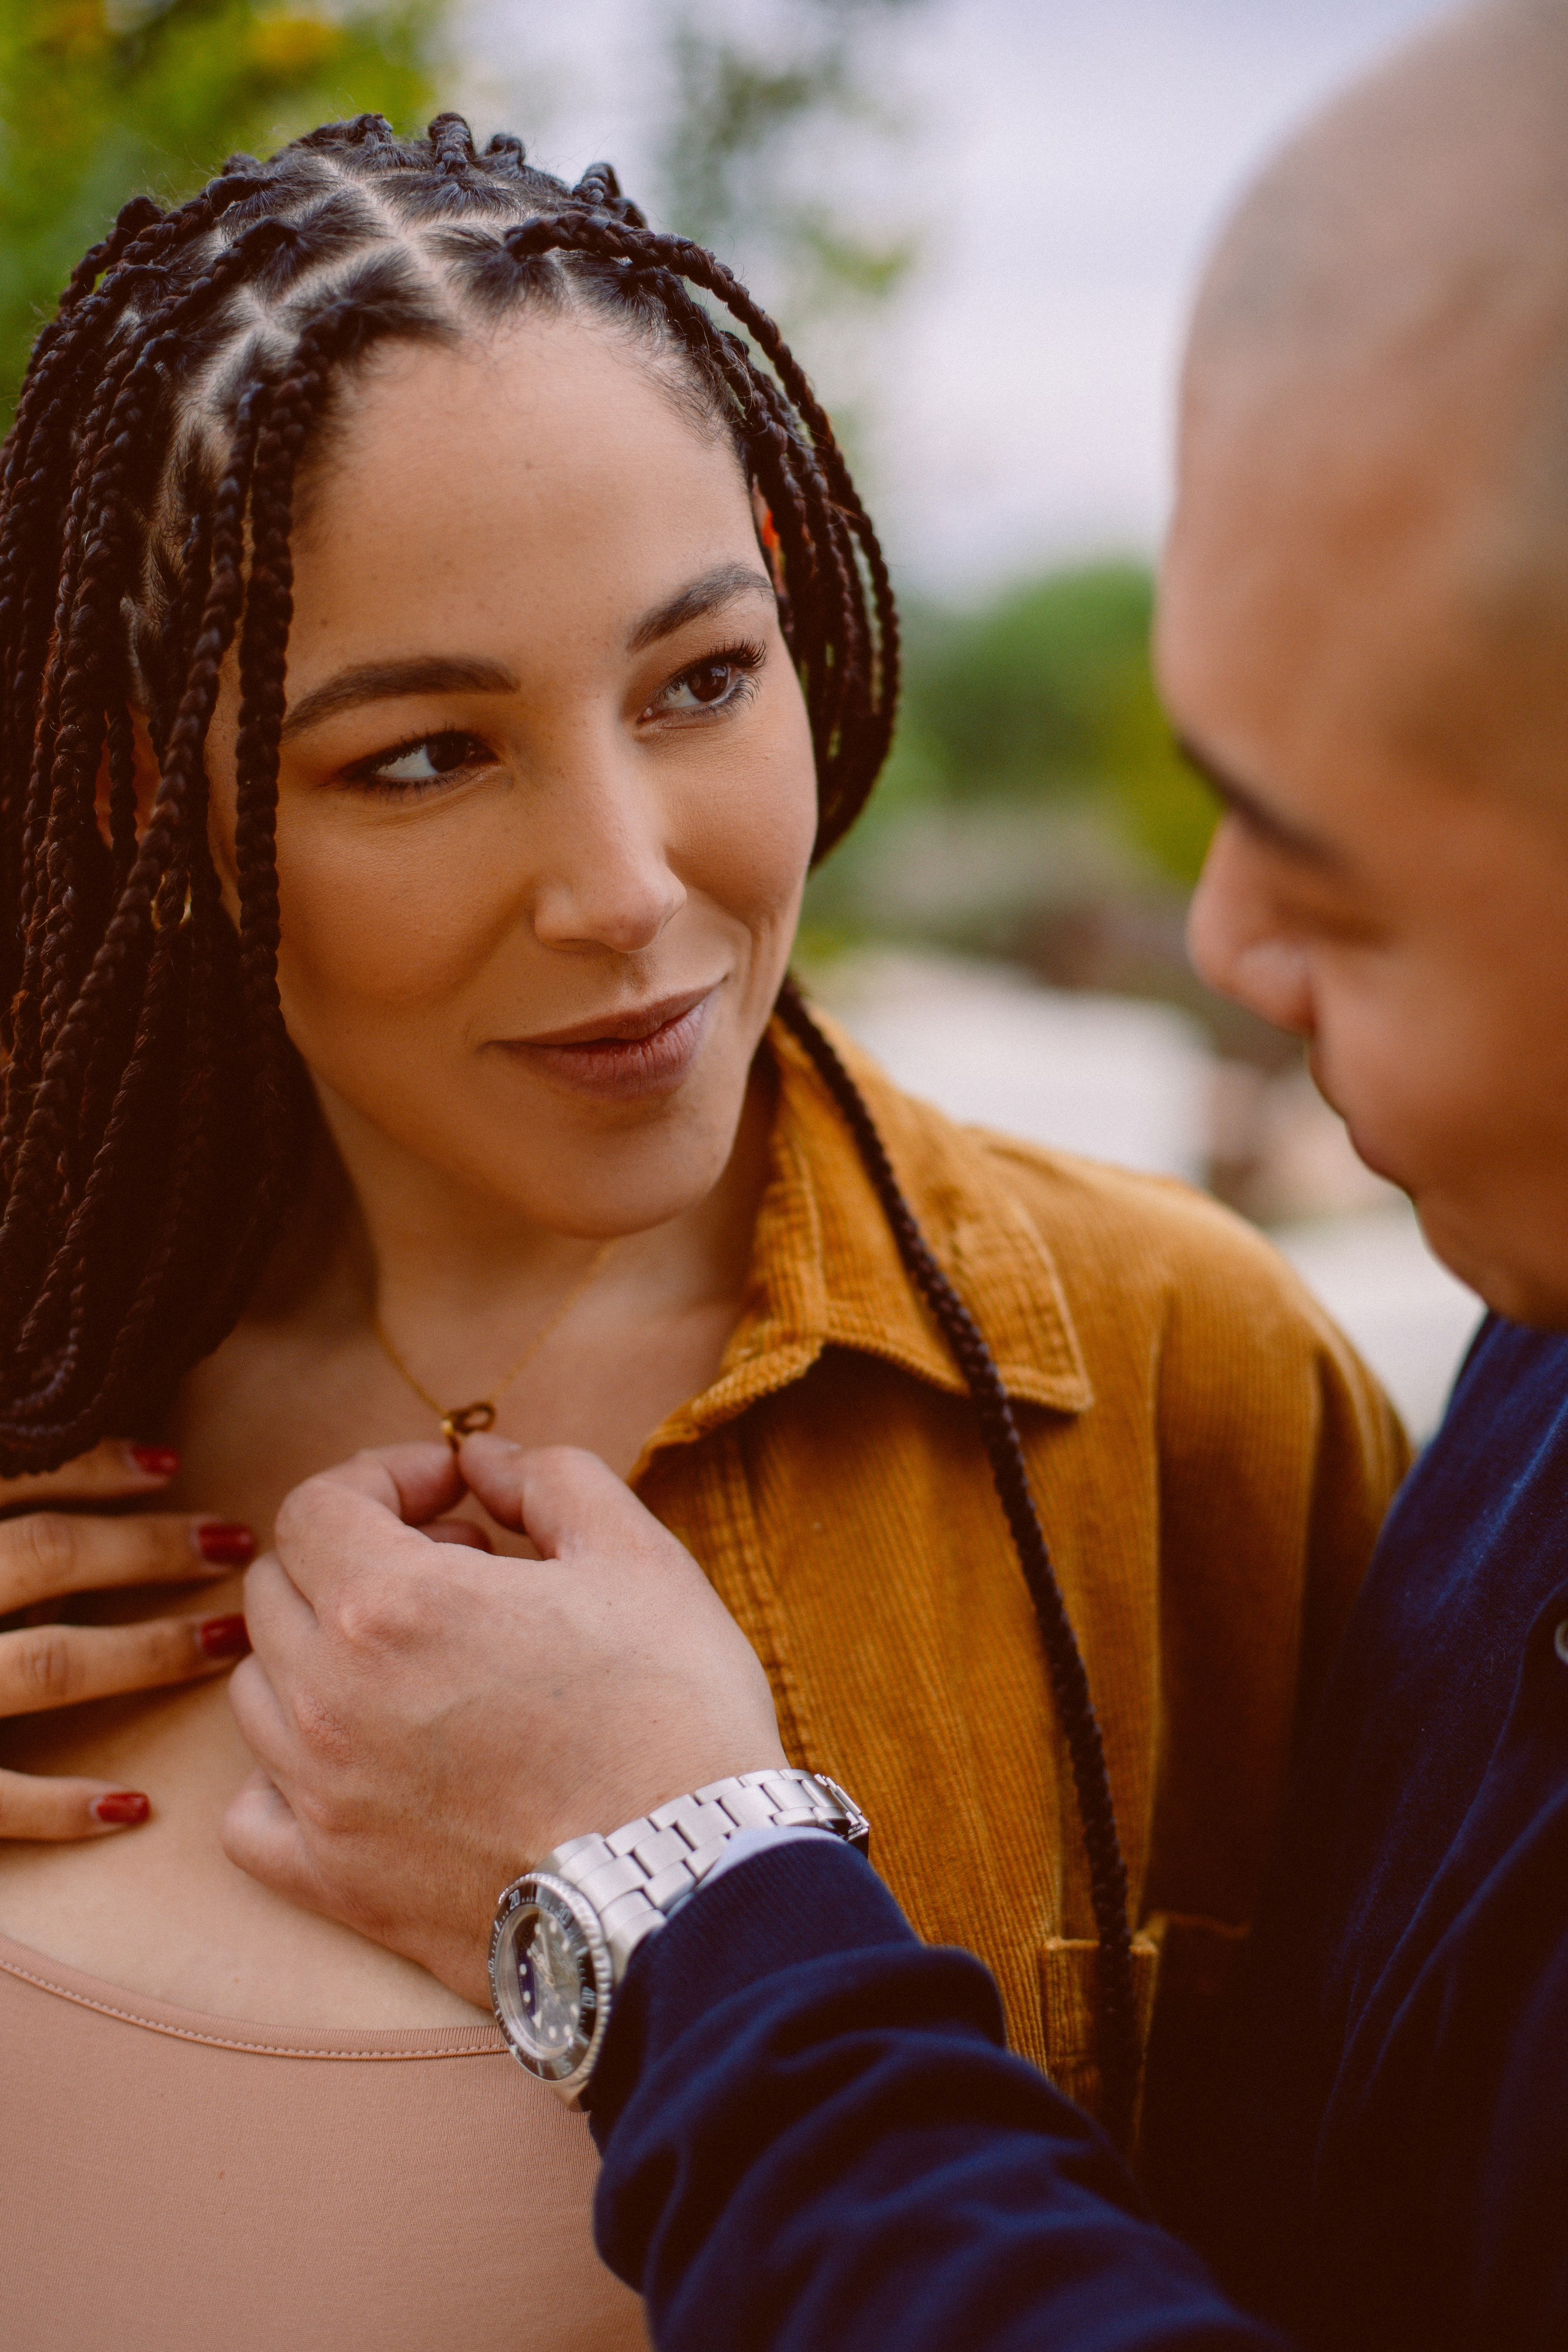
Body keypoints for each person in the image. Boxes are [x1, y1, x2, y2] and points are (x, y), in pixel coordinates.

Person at [214, 4, 1568, 2349]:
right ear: (162, 796)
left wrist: (678, 1893)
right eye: (428, 752)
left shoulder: (1191, 1382)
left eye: (703, 682)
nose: (631, 890)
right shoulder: (1525, 1417)